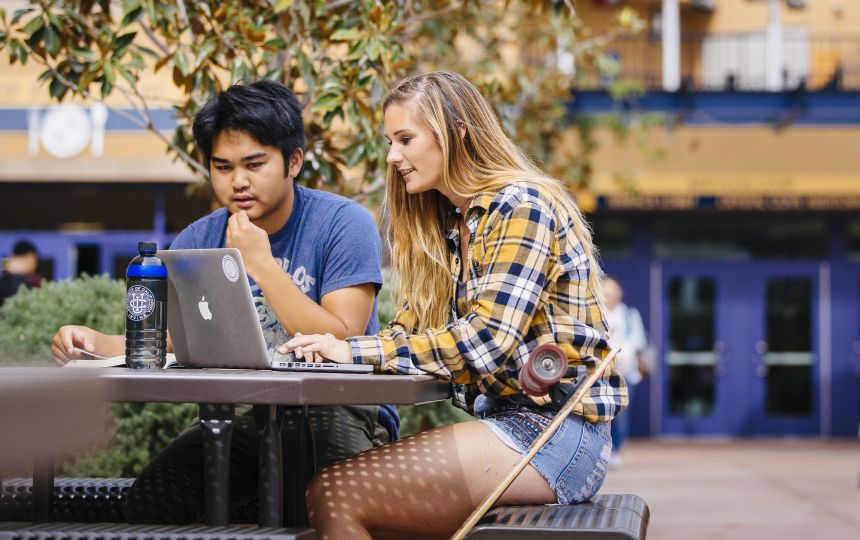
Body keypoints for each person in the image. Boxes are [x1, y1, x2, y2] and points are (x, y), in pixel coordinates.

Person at [282, 71, 627, 539]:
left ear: (456, 132)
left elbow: (487, 342)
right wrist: (333, 347)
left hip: (557, 435)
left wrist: (357, 353)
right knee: (355, 499)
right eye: (390, 140)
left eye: (405, 139)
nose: (392, 156)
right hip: (509, 426)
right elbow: (407, 332)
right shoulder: (449, 227)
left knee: (337, 491)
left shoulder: (521, 204)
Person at [50, 80, 399, 524]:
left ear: (294, 161)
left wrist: (262, 265)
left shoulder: (342, 223)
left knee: (322, 505)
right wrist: (95, 343)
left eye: (255, 164)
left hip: (336, 409)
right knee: (152, 499)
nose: (238, 181)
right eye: (222, 166)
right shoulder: (198, 238)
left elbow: (342, 336)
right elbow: (179, 341)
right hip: (239, 419)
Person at [601, 275, 647, 468]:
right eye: (605, 290)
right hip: (601, 371)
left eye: (612, 290)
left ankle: (616, 450)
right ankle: (601, 450)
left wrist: (623, 350)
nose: (609, 294)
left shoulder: (629, 315)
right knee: (602, 412)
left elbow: (639, 341)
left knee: (621, 415)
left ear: (619, 293)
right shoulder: (597, 312)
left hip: (625, 371)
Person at [1, 240, 44, 306]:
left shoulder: (3, 277)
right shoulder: (32, 281)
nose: (35, 266)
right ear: (30, 257)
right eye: (35, 261)